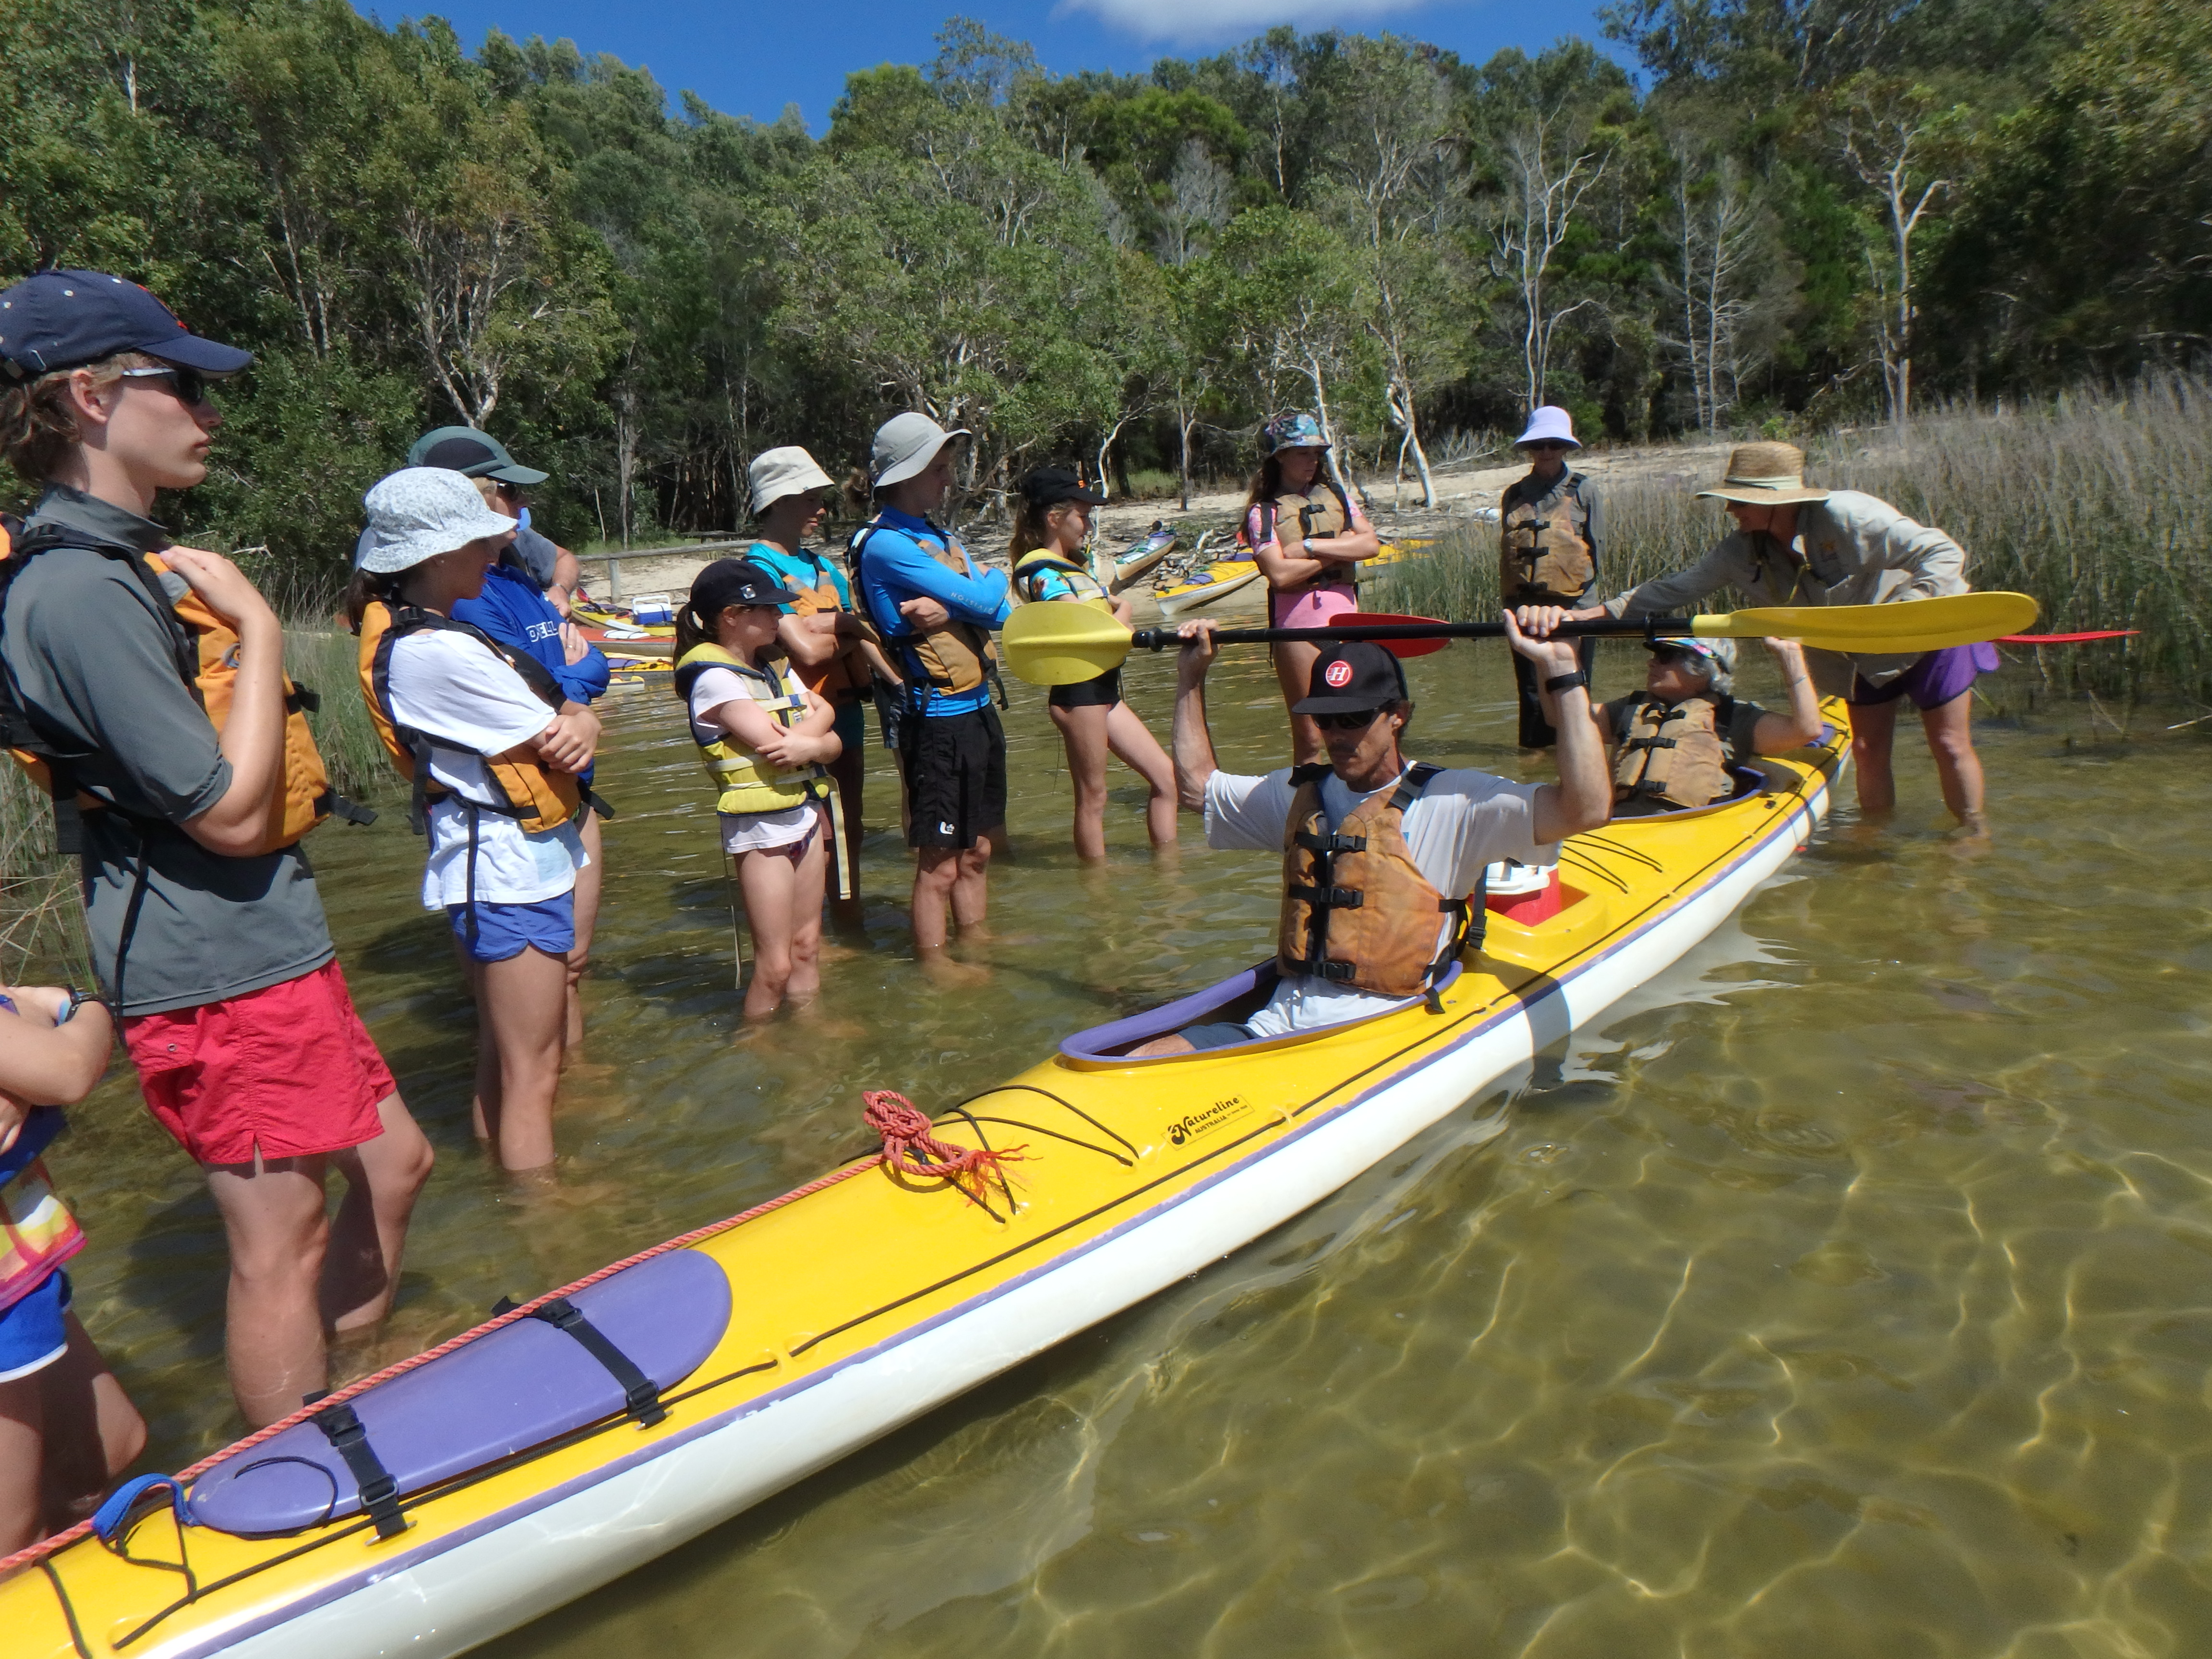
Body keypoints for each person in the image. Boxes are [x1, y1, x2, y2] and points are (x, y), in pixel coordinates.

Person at [0, 268, 432, 1427]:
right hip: (215, 968)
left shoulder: (122, 566)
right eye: (182, 384)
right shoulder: (78, 590)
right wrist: (250, 621)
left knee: (397, 1164)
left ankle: (344, 1397)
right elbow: (228, 813)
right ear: (91, 396)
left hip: (265, 944)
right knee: (279, 1235)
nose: (209, 412)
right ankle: (306, 1470)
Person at [1130, 625, 1610, 1056]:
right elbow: (1196, 788)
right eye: (1325, 720)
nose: (1338, 735)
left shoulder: (1458, 802)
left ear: (1398, 715)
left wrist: (1561, 670)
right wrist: (1191, 676)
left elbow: (1585, 809)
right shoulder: (1300, 793)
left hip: (1379, 1036)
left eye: (1355, 717)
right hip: (1272, 1028)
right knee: (1139, 1058)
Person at [1547, 441, 1994, 832]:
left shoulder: (1850, 516)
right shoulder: (1739, 551)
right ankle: (1874, 839)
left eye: (1740, 500)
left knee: (1949, 743)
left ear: (1778, 501)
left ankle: (1972, 834)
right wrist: (1587, 617)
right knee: (1865, 747)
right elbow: (1672, 589)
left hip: (1928, 633)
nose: (1730, 510)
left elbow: (1941, 551)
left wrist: (1908, 608)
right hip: (1857, 656)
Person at [356, 468, 598, 1178]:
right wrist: (582, 714)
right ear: (436, 558)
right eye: (480, 543)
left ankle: (507, 1206)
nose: (494, 555)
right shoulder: (439, 651)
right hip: (505, 873)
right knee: (535, 1069)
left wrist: (580, 716)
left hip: (500, 864)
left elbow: (570, 724)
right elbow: (562, 732)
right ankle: (545, 1219)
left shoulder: (434, 636)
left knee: (505, 1057)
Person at [412, 427, 610, 1047]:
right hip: (512, 819)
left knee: (573, 969)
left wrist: (574, 679)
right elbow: (543, 693)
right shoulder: (466, 597)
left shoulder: (518, 571)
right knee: (515, 1031)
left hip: (571, 797)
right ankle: (551, 1109)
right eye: (507, 495)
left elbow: (592, 671)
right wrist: (575, 681)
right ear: (473, 501)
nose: (520, 511)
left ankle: (578, 1094)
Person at [850, 412, 1012, 968]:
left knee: (980, 850)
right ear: (908, 473)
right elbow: (992, 601)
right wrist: (978, 591)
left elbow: (1002, 610)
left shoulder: (943, 538)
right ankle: (936, 968)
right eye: (939, 469)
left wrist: (954, 604)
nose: (948, 480)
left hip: (980, 710)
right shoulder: (885, 546)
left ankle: (978, 946)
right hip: (938, 718)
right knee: (939, 860)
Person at [0, 985, 145, 1551]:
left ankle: (76, 1561)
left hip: (21, 1268)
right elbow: (68, 1071)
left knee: (112, 1443)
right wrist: (80, 1003)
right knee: (13, 1534)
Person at [673, 559, 842, 1018]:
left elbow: (826, 718)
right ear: (731, 616)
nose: (778, 618)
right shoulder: (713, 680)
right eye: (766, 610)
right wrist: (821, 742)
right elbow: (775, 744)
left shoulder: (772, 666)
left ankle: (811, 1035)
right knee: (775, 965)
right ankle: (758, 1045)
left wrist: (816, 743)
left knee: (808, 946)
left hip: (803, 814)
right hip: (761, 830)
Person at [741, 446, 903, 926]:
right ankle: (812, 928)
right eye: (809, 497)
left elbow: (861, 633)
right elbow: (806, 654)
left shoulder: (824, 568)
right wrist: (848, 631)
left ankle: (848, 923)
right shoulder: (761, 570)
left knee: (849, 822)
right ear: (778, 501)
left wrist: (894, 678)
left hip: (848, 710)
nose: (821, 508)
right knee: (815, 826)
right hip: (801, 715)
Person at [1010, 465, 1176, 860]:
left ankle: (1170, 872)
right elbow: (1085, 631)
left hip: (1103, 690)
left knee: (1167, 780)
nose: (1087, 525)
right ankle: (1098, 885)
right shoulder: (1044, 574)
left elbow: (1100, 617)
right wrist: (1126, 611)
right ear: (1055, 518)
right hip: (1078, 693)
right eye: (1082, 516)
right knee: (1094, 796)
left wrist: (1117, 608)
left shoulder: (1074, 569)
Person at [1243, 413, 1383, 766]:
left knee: (1358, 728)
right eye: (1303, 452)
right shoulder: (1264, 512)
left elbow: (1370, 545)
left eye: (1316, 452)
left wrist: (1310, 549)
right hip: (1298, 632)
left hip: (1347, 627)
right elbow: (1278, 574)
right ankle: (1307, 814)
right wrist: (1339, 552)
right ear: (1281, 457)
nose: (1313, 460)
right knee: (1310, 740)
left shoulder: (1338, 497)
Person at [1592, 637, 1824, 815]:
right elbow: (1562, 719)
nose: (1651, 662)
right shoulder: (1629, 708)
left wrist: (1789, 655)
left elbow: (1807, 730)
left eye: (1665, 656)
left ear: (1702, 669)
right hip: (1618, 823)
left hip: (1689, 826)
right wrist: (1562, 650)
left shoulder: (1732, 717)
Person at [1499, 407, 1603, 750]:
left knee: (1574, 682)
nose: (1547, 452)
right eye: (1540, 444)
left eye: (1554, 445)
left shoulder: (1585, 490)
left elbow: (1597, 549)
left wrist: (1588, 609)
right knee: (1530, 690)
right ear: (1530, 448)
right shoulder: (1514, 494)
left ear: (1566, 448)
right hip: (1525, 607)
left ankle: (1576, 748)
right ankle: (1533, 756)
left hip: (1575, 606)